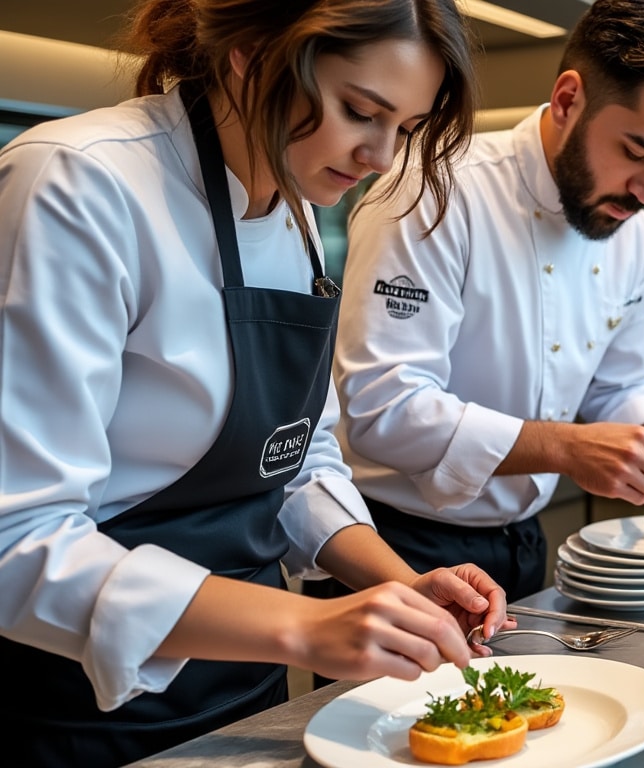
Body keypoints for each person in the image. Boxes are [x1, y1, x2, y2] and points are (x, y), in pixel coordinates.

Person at [0, 2, 514, 765]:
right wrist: (306, 627)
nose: (379, 156)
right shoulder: (78, 184)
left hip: (247, 693)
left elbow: (296, 462)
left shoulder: (297, 213)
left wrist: (399, 586)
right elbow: (19, 541)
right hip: (82, 707)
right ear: (251, 54)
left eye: (404, 129)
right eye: (359, 111)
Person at [320, 0, 644, 605]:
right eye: (638, 153)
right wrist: (566, 448)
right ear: (568, 100)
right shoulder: (435, 189)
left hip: (526, 542)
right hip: (396, 546)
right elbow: (385, 409)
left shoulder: (630, 228)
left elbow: (623, 379)